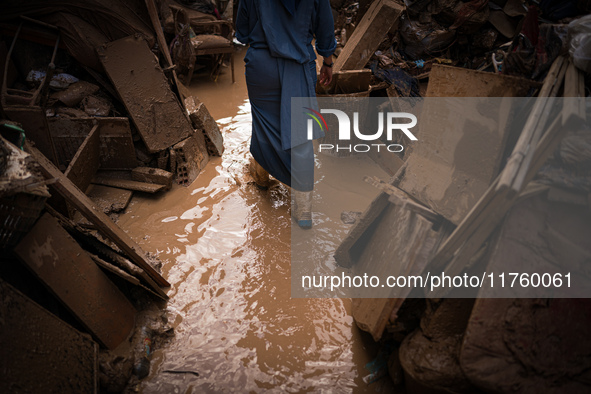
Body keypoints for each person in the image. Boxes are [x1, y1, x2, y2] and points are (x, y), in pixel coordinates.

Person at [235, 0, 337, 228]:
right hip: (299, 65)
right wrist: (327, 62)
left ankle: (261, 179)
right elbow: (325, 30)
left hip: (261, 68)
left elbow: (241, 34)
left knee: (263, 124)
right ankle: (303, 211)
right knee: (301, 137)